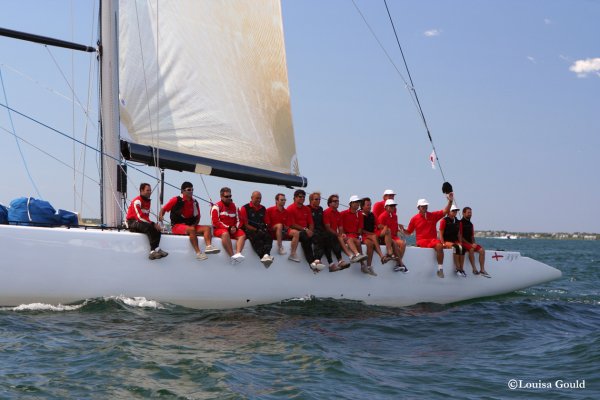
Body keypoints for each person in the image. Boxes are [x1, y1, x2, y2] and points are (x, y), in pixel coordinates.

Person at [159, 181, 220, 261]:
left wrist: (194, 225)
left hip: (190, 225)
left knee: (207, 228)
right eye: (189, 190)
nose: (191, 191)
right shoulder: (175, 200)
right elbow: (163, 209)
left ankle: (209, 246)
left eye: (192, 190)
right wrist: (161, 217)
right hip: (177, 226)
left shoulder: (194, 202)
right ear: (183, 191)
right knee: (191, 230)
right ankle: (198, 253)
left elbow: (198, 217)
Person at [401, 194, 454, 278]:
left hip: (432, 240)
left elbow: (446, 211)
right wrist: (403, 230)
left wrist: (450, 201)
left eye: (426, 206)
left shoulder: (432, 215)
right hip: (422, 241)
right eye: (423, 206)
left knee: (440, 246)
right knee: (437, 245)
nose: (425, 208)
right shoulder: (414, 218)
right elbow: (409, 232)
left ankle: (440, 269)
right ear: (418, 208)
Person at [286, 189, 325, 272]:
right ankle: (311, 262)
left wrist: (310, 231)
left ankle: (317, 260)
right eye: (300, 197)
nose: (302, 198)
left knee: (320, 237)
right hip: (295, 232)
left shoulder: (306, 209)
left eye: (304, 197)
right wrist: (306, 230)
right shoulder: (290, 208)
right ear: (295, 198)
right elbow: (292, 224)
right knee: (306, 238)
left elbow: (311, 223)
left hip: (306, 231)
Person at [126, 183, 168, 260]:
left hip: (140, 222)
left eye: (150, 190)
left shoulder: (147, 201)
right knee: (150, 227)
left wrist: (154, 225)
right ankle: (152, 251)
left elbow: (145, 218)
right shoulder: (137, 201)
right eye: (147, 190)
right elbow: (139, 217)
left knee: (157, 229)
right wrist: (152, 223)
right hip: (133, 222)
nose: (149, 192)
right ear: (141, 190)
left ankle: (156, 249)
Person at [211, 187, 246, 264]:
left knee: (242, 234)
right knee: (225, 234)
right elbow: (216, 222)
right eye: (227, 197)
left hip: (233, 229)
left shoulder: (235, 207)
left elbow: (239, 220)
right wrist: (229, 228)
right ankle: (232, 256)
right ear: (221, 196)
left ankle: (238, 254)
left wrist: (235, 227)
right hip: (220, 230)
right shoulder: (216, 207)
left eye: (230, 196)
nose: (229, 198)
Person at [239, 191, 274, 268]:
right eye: (257, 198)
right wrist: (257, 230)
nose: (259, 200)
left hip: (261, 229)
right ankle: (262, 256)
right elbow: (246, 225)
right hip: (248, 229)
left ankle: (266, 255)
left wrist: (266, 229)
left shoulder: (263, 208)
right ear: (252, 198)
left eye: (260, 198)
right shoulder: (245, 208)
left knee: (269, 236)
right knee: (256, 236)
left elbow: (267, 222)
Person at [377, 199, 408, 272]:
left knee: (403, 244)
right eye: (391, 206)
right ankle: (400, 263)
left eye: (394, 206)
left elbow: (394, 228)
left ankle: (398, 264)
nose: (393, 207)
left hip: (394, 236)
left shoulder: (395, 216)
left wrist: (399, 229)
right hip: (387, 236)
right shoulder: (382, 216)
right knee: (398, 244)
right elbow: (380, 228)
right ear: (386, 207)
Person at [265, 193, 300, 259]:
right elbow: (268, 224)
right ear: (276, 200)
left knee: (296, 232)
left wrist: (285, 227)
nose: (284, 201)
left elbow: (288, 225)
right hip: (272, 230)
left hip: (283, 230)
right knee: (279, 225)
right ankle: (280, 247)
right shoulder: (269, 210)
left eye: (284, 200)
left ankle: (292, 254)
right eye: (282, 200)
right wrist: (280, 226)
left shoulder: (287, 212)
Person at [339, 195, 369, 272]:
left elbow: (360, 228)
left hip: (355, 236)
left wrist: (358, 235)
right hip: (346, 235)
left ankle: (362, 263)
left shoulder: (360, 215)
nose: (357, 204)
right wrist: (343, 234)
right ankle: (358, 256)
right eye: (355, 202)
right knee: (352, 240)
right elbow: (340, 227)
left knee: (358, 241)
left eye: (358, 202)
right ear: (351, 203)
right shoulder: (343, 213)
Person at [360, 197, 389, 276]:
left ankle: (368, 266)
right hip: (363, 235)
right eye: (367, 205)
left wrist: (384, 227)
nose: (369, 207)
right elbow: (361, 230)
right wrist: (371, 234)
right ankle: (382, 256)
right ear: (362, 206)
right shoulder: (360, 215)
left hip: (370, 236)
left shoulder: (372, 215)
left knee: (371, 244)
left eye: (370, 205)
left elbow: (378, 224)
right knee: (374, 237)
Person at [322, 194, 351, 272]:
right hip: (326, 234)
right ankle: (343, 259)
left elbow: (340, 227)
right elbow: (327, 228)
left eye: (337, 201)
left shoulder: (338, 213)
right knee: (334, 238)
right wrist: (338, 235)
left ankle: (346, 259)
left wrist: (341, 234)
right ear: (330, 203)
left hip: (334, 235)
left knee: (343, 238)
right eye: (334, 201)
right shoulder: (326, 212)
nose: (337, 202)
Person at [460, 207, 490, 277]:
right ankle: (474, 269)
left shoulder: (471, 224)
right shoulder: (460, 223)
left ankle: (482, 270)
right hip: (464, 243)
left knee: (482, 250)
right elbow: (460, 236)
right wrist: (470, 244)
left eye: (471, 213)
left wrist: (474, 243)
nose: (470, 214)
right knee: (471, 249)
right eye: (468, 212)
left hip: (471, 243)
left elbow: (472, 236)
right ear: (463, 213)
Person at [439, 204, 466, 277]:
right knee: (456, 247)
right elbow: (440, 233)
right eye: (453, 211)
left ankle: (461, 268)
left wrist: (460, 242)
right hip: (446, 241)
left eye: (456, 211)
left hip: (455, 240)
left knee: (462, 249)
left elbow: (459, 234)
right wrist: (443, 244)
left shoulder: (458, 222)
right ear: (449, 212)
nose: (455, 212)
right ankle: (457, 268)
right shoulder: (443, 221)